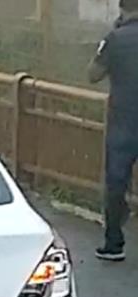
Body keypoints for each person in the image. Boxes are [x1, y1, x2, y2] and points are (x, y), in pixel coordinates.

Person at [88, 0, 138, 261]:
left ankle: (114, 243)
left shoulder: (115, 39)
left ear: (122, 9)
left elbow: (93, 74)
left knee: (117, 182)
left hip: (124, 122)